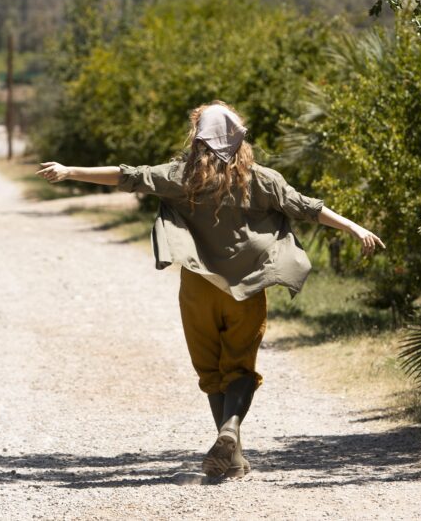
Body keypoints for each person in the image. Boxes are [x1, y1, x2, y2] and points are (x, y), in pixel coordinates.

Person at [37, 101, 384, 479]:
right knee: (239, 366)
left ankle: (230, 453)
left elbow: (127, 176)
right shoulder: (262, 178)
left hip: (198, 289)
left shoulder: (181, 176)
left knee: (210, 368)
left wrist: (70, 170)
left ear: (197, 137)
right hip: (246, 290)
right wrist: (354, 228)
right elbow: (307, 207)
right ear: (239, 140)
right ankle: (230, 432)